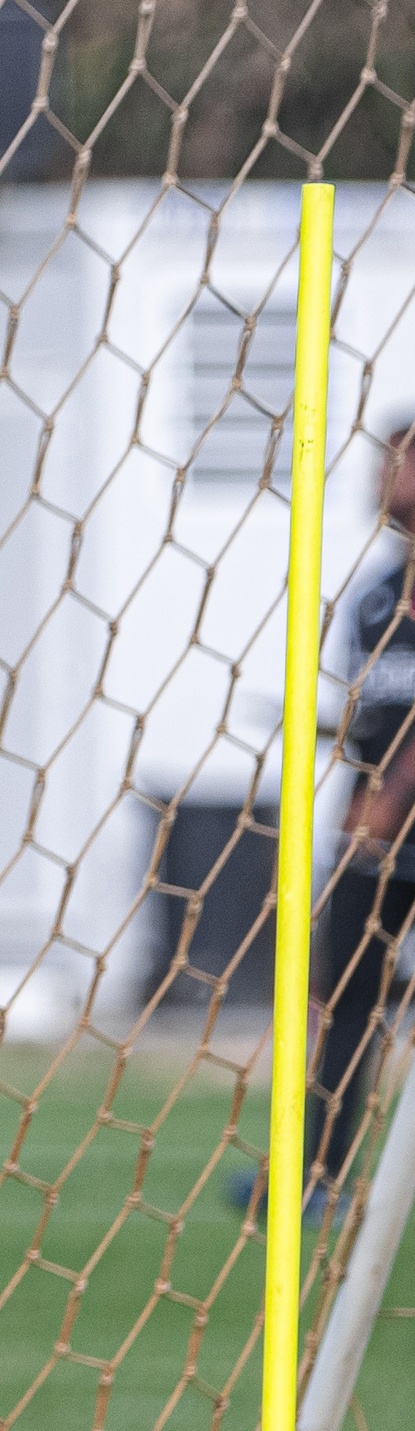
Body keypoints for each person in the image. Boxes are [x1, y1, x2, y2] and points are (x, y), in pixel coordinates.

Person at [309, 417, 415, 1199]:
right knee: (343, 1003)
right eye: (384, 460)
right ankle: (322, 1171)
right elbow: (375, 719)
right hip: (375, 845)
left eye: (401, 461)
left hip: (393, 821)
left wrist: (392, 795)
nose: (385, 475)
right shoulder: (376, 597)